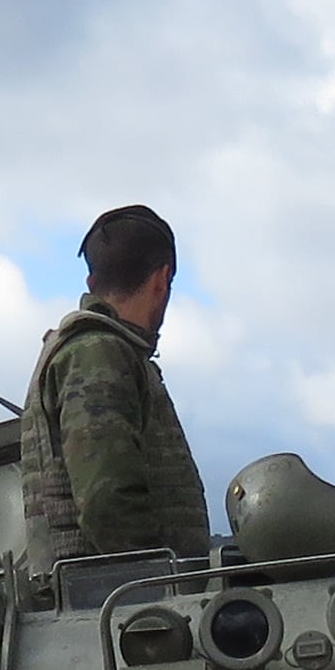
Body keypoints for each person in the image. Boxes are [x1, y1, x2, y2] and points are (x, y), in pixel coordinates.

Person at [18, 204, 208, 563]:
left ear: (92, 282)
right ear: (161, 280)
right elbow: (108, 502)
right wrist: (160, 583)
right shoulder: (98, 353)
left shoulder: (100, 351)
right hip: (117, 603)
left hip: (113, 600)